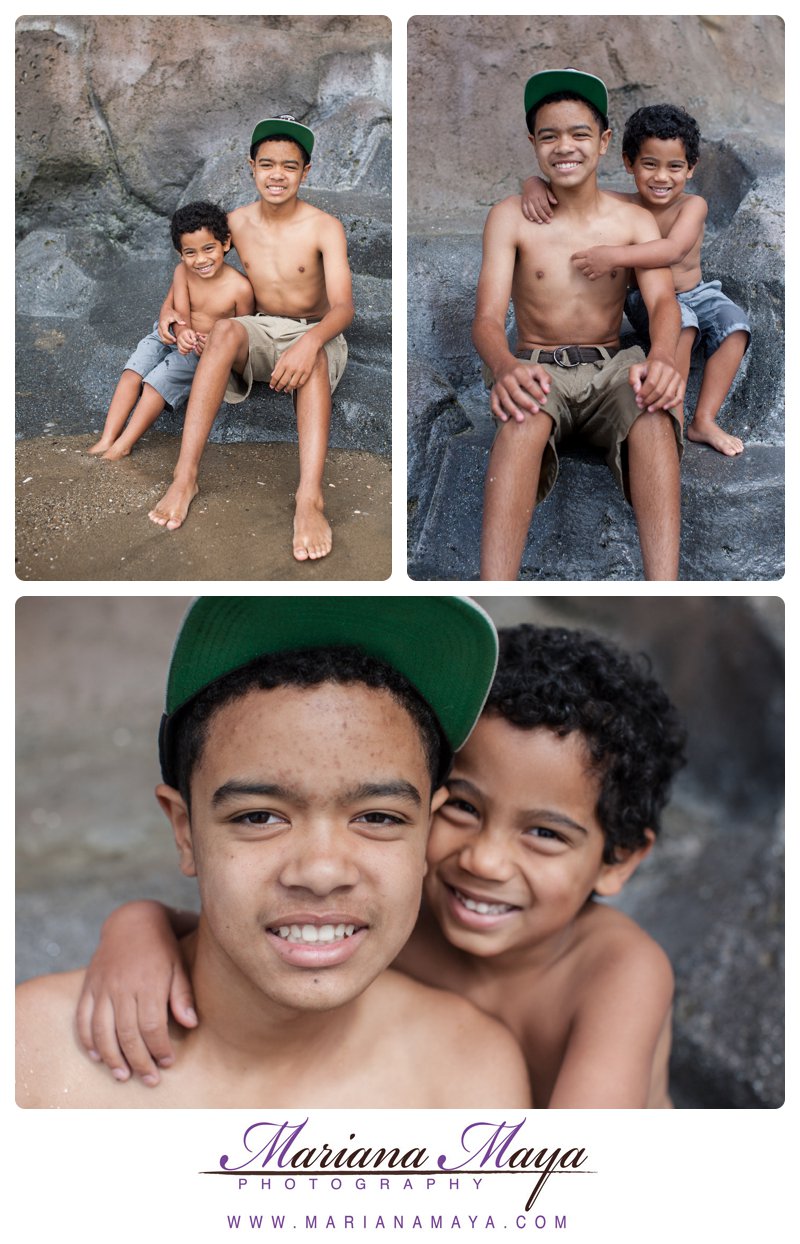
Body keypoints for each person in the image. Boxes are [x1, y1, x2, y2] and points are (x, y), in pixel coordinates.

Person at [71, 621, 687, 1108]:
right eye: (466, 810)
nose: (485, 859)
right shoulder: (406, 912)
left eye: (547, 833)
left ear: (618, 861)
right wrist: (137, 925)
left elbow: (580, 1167)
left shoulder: (619, 972)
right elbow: (248, 924)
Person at [16, 596, 531, 1109]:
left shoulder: (469, 1076)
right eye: (258, 817)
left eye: (378, 817)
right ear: (185, 832)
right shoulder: (31, 1055)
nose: (323, 871)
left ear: (428, 834)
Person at [474, 69, 684, 582]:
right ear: (532, 143)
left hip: (612, 366)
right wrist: (503, 367)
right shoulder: (510, 217)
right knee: (523, 415)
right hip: (536, 365)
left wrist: (661, 358)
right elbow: (484, 318)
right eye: (549, 136)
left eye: (579, 134)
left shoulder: (633, 221)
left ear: (605, 142)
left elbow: (663, 304)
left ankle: (665, 587)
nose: (564, 147)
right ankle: (493, 590)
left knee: (654, 410)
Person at [148, 117, 354, 562]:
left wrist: (309, 341)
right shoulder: (235, 223)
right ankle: (185, 476)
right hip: (259, 329)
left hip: (314, 330)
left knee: (314, 357)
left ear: (306, 172)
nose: (277, 175)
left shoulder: (324, 227)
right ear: (251, 167)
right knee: (224, 330)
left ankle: (309, 498)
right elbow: (192, 265)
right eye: (267, 164)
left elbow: (343, 308)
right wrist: (171, 314)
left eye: (289, 166)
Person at [523, 103, 750, 457]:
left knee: (736, 325)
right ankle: (670, 413)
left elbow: (673, 250)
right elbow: (568, 191)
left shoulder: (693, 206)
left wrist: (613, 256)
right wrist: (534, 183)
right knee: (683, 323)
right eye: (649, 164)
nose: (662, 177)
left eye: (674, 166)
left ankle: (703, 419)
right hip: (648, 300)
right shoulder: (621, 203)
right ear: (629, 163)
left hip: (697, 292)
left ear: (691, 169)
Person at [88, 202, 254, 460]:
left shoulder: (240, 288)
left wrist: (209, 342)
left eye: (208, 248)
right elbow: (180, 313)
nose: (200, 260)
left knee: (156, 384)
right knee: (133, 372)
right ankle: (108, 437)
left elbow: (244, 330)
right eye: (190, 252)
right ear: (180, 254)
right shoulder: (182, 273)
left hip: (199, 350)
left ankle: (125, 443)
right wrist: (179, 331)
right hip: (171, 333)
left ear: (225, 243)